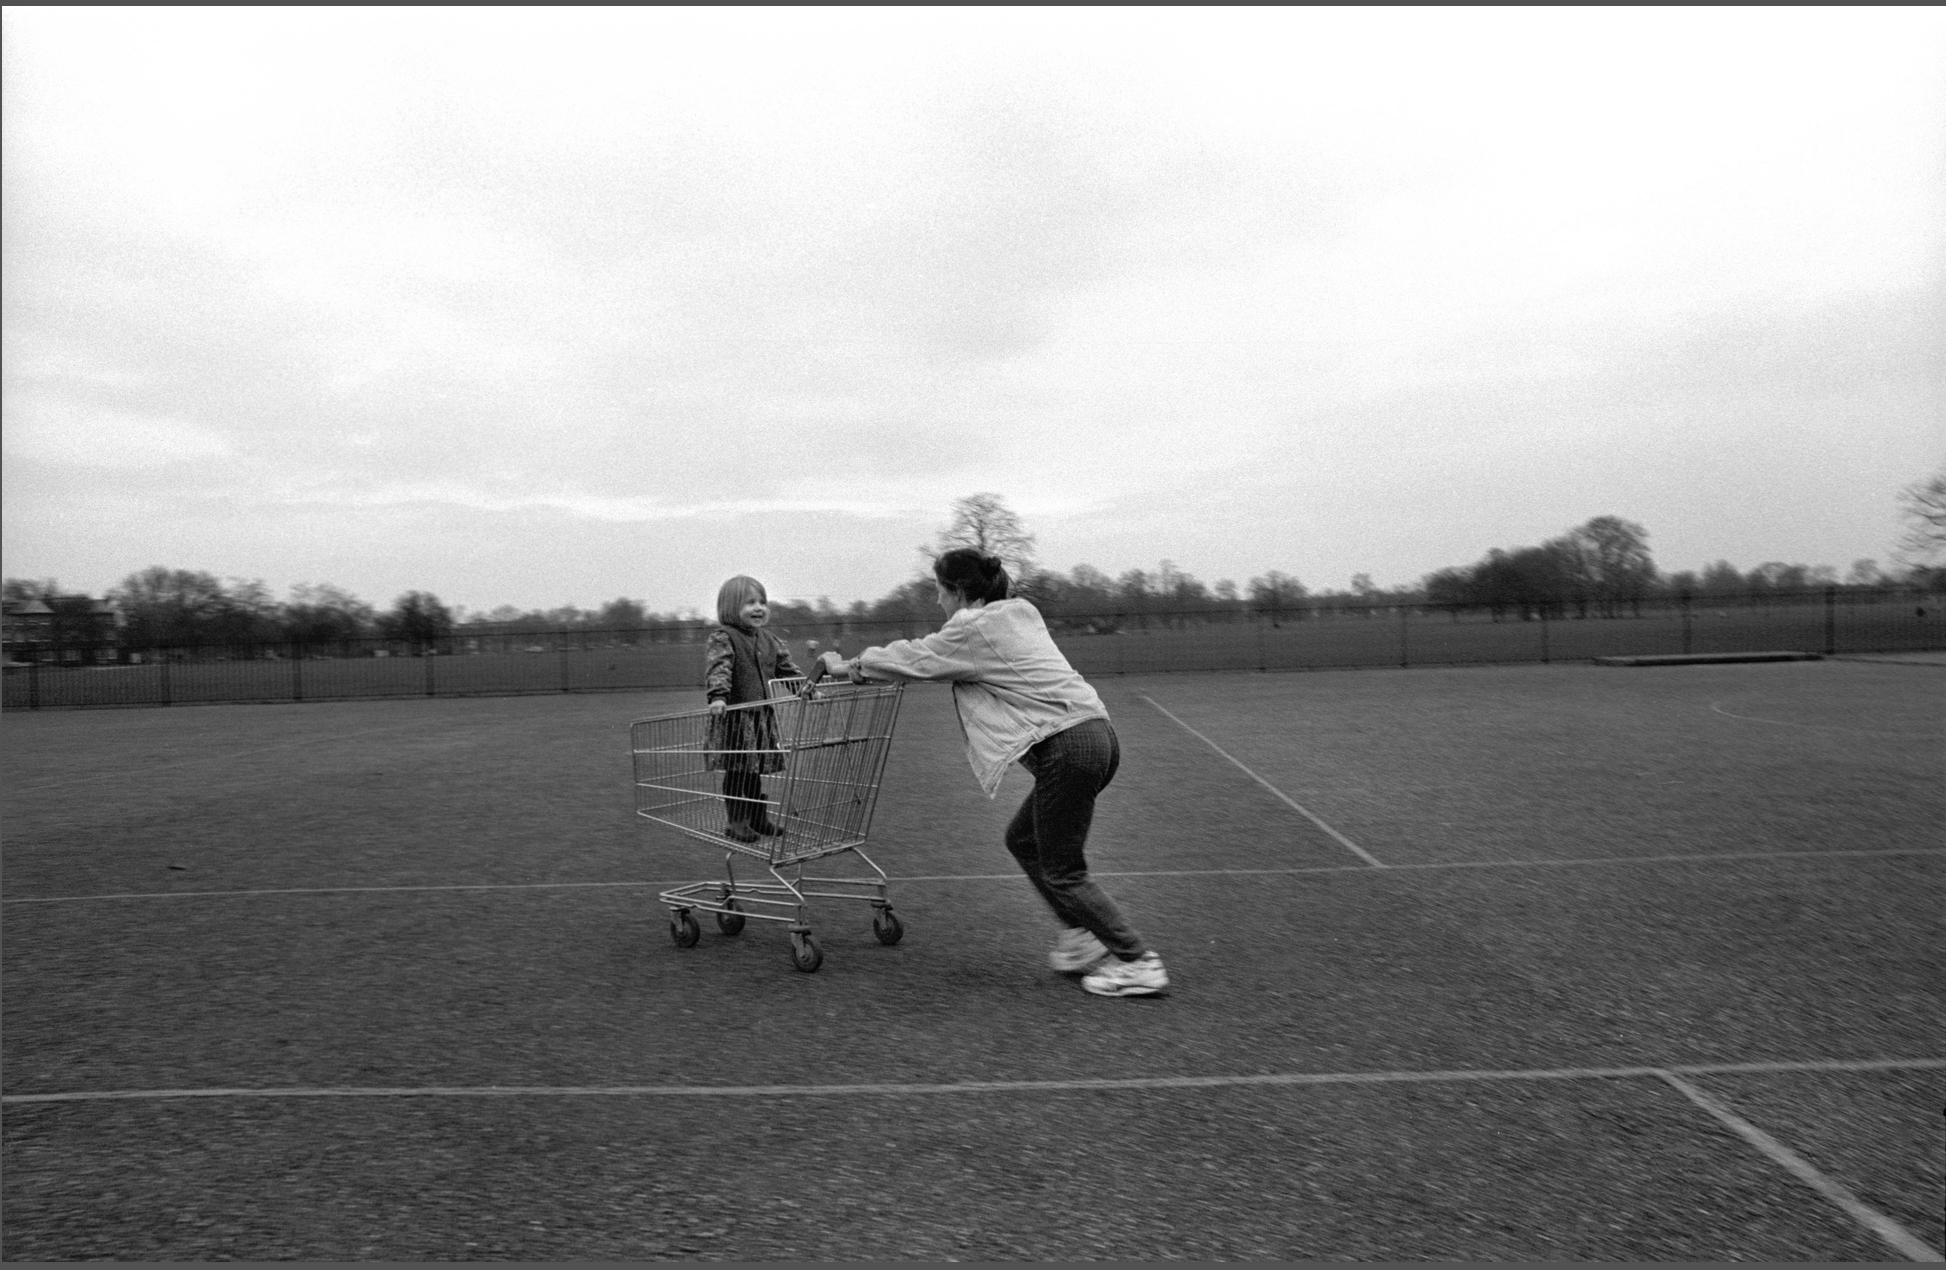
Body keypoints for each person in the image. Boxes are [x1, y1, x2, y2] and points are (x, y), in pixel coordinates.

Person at [819, 549, 1168, 998]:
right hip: (1097, 735)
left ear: (959, 591)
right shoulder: (1020, 613)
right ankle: (1081, 936)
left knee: (1062, 868)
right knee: (1024, 840)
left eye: (939, 591)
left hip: (1068, 745)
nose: (938, 601)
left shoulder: (972, 629)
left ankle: (1138, 960)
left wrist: (845, 667)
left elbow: (914, 659)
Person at [705, 575, 803, 843]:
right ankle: (736, 821)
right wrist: (718, 697)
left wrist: (806, 688)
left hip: (761, 717)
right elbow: (720, 668)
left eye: (762, 602)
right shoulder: (724, 638)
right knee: (738, 768)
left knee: (753, 768)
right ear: (731, 607)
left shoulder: (770, 640)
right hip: (734, 717)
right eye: (750, 603)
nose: (759, 608)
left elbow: (787, 671)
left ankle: (758, 817)